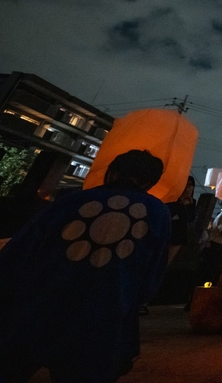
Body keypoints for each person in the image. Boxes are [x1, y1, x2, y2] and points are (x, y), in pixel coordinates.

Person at [0, 149, 171, 383]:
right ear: (150, 182)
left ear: (111, 172)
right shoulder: (157, 211)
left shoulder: (71, 201)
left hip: (41, 302)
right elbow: (153, 268)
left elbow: (22, 250)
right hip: (105, 311)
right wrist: (137, 299)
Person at [166, 176, 197, 265]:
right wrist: (181, 201)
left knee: (168, 260)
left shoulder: (192, 202)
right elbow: (171, 213)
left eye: (191, 185)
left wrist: (189, 205)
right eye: (186, 185)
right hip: (168, 231)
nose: (188, 188)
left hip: (179, 235)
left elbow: (190, 219)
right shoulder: (173, 199)